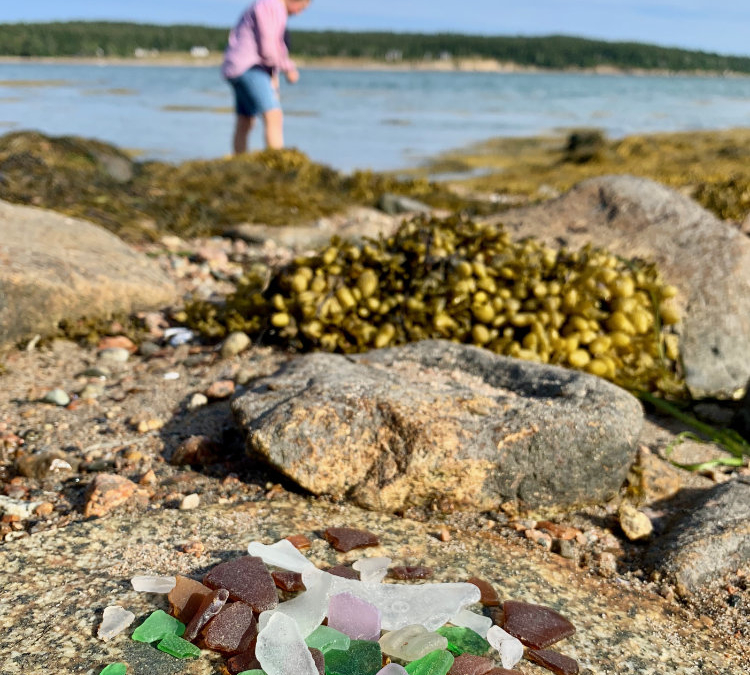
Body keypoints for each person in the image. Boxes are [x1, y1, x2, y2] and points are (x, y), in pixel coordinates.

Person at [221, 0, 311, 154]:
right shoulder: (271, 6)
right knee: (273, 115)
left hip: (237, 67)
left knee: (246, 120)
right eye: (301, 7)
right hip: (249, 67)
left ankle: (239, 162)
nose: (298, 13)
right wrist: (288, 68)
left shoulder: (269, 6)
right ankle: (277, 162)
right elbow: (268, 47)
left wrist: (274, 77)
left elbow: (272, 47)